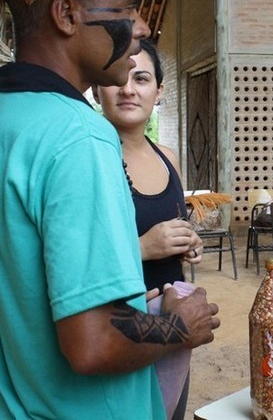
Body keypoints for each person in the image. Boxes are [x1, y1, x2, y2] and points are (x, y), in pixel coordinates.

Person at [0, 0, 220, 418]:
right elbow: (93, 345)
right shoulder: (80, 135)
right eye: (128, 7)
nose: (142, 28)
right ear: (66, 15)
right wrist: (180, 324)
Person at [93, 38, 201, 420]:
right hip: (122, 329)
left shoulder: (167, 157)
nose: (128, 89)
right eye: (118, 78)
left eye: (141, 78)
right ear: (96, 88)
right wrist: (140, 247)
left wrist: (188, 240)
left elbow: (173, 219)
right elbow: (76, 255)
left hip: (175, 325)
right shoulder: (93, 159)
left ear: (159, 92)